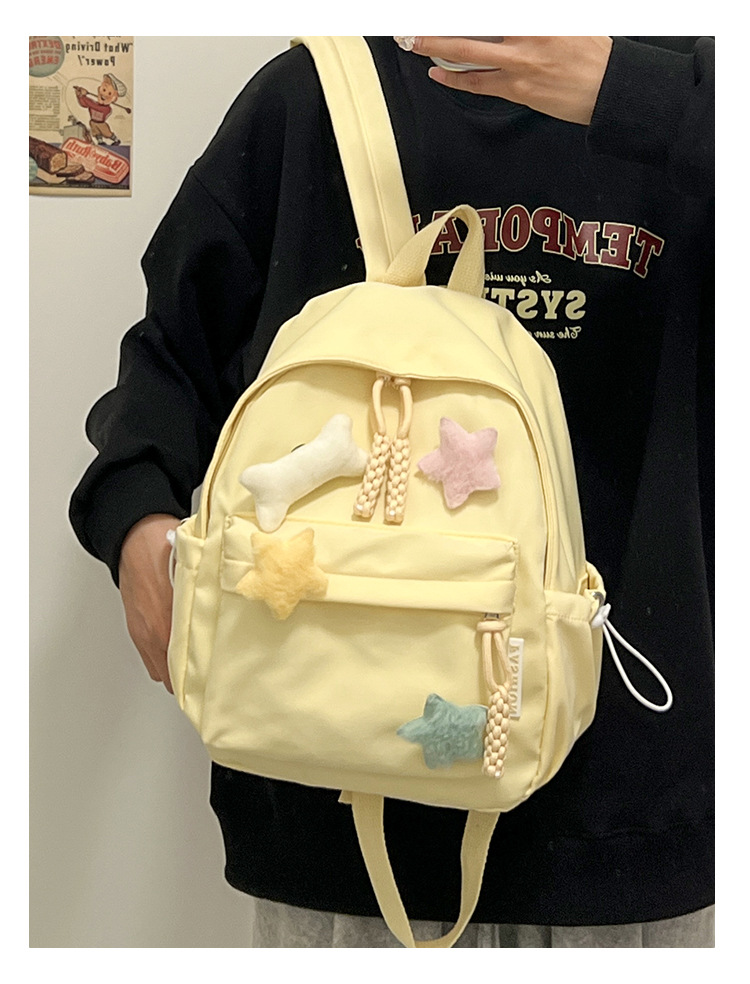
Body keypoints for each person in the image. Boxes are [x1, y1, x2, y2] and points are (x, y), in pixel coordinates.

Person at [69, 36, 714, 947]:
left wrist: (653, 100)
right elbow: (173, 352)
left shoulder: (698, 99)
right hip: (320, 786)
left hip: (631, 804)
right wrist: (134, 516)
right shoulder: (315, 93)